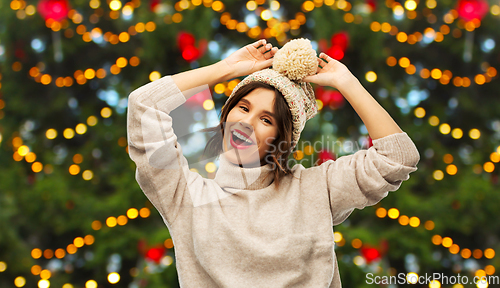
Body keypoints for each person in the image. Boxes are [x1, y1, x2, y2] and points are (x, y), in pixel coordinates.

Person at [127, 38, 420, 287]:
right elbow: (144, 107)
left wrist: (346, 82)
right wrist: (225, 69)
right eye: (242, 108)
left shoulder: (316, 189)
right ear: (226, 116)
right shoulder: (186, 196)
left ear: (282, 139)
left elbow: (397, 157)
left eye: (266, 119)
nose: (246, 123)